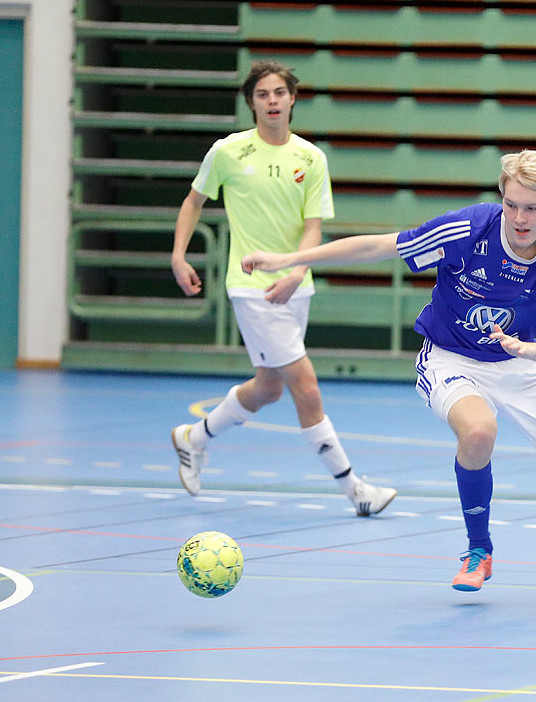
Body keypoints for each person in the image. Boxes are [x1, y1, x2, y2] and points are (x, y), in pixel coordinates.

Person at [240, 150, 536, 598]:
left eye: (531, 208)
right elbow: (378, 246)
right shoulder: (468, 229)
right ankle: (479, 550)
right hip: (451, 356)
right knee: (478, 430)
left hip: (521, 358)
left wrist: (524, 348)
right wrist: (290, 259)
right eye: (510, 204)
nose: (518, 217)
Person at [168, 60, 396, 517]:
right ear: (251, 103)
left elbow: (314, 228)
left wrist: (297, 272)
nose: (272, 101)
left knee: (270, 387)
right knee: (304, 385)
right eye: (262, 94)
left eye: (279, 93)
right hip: (251, 287)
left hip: (295, 287)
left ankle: (192, 438)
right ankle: (356, 490)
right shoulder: (228, 152)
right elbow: (193, 201)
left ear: (292, 99)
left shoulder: (311, 158)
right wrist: (178, 255)